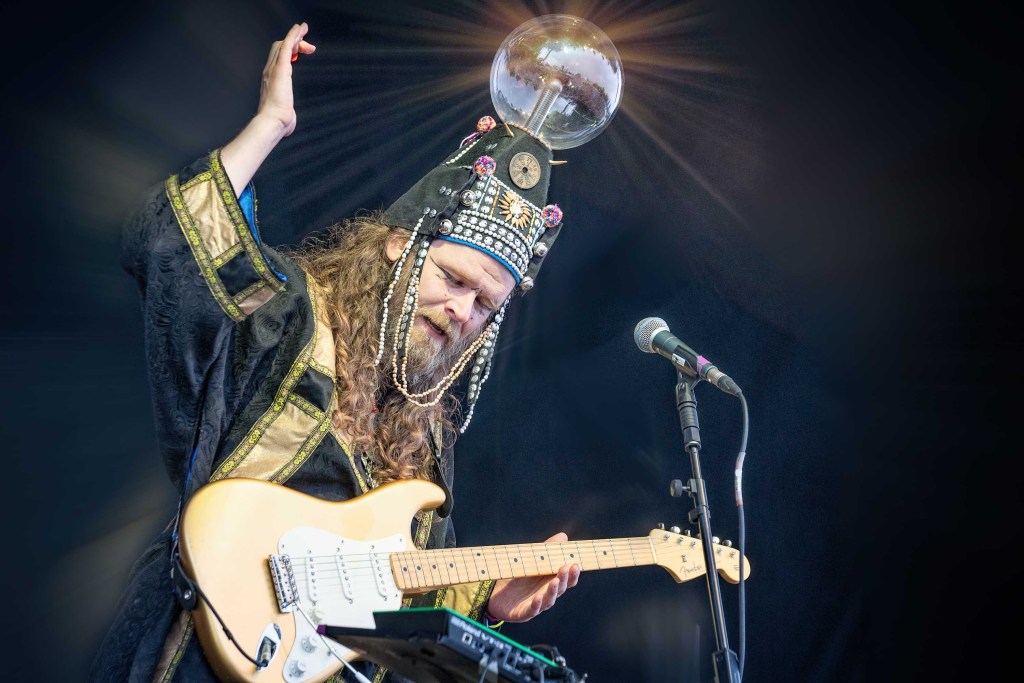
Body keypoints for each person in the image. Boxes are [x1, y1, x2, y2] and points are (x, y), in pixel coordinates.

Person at [91, 22, 580, 683]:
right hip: (198, 651)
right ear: (397, 244)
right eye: (453, 279)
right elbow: (169, 249)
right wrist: (268, 126)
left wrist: (489, 600)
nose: (463, 310)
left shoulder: (426, 436)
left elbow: (393, 598)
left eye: (485, 305)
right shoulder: (294, 317)